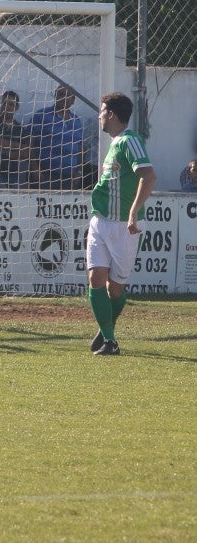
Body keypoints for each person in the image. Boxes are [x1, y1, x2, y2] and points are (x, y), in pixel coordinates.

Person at [84, 93, 156, 356]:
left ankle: (106, 329)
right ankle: (110, 341)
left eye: (102, 111)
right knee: (95, 278)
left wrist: (134, 212)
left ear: (111, 114)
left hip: (124, 227)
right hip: (100, 221)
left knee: (115, 289)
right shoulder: (114, 144)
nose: (100, 115)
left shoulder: (130, 141)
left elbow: (148, 176)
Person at [29, 84, 84, 190]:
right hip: (45, 175)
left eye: (68, 95)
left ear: (73, 100)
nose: (64, 97)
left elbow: (80, 148)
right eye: (60, 94)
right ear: (55, 96)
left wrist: (79, 171)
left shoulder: (77, 121)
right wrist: (35, 168)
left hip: (69, 177)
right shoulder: (41, 115)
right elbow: (29, 144)